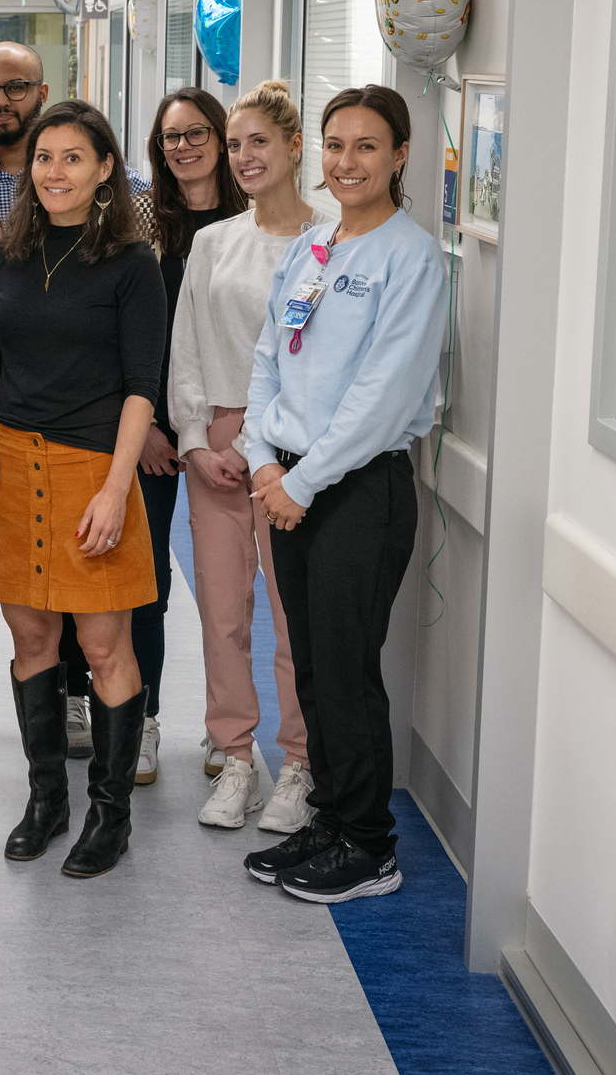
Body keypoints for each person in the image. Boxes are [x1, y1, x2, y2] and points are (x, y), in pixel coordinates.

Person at [239, 84, 446, 904]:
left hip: (356, 489)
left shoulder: (411, 257)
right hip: (287, 478)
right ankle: (331, 815)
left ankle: (369, 845)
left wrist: (300, 478)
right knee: (314, 669)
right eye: (335, 144)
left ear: (399, 156)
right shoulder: (315, 246)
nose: (347, 161)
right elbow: (268, 357)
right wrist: (261, 457)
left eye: (367, 145)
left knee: (349, 669)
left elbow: (383, 396)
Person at [0, 99, 165, 879]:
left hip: (90, 471)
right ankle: (47, 799)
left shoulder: (133, 265)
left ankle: (111, 814)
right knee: (32, 639)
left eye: (73, 157)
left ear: (106, 168)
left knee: (105, 647)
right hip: (11, 466)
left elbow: (144, 386)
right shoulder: (9, 256)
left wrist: (115, 490)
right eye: (44, 158)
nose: (55, 171)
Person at [54, 87, 247, 788]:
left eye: (198, 133)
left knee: (235, 593)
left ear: (223, 139)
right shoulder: (135, 219)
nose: (184, 147)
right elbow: (121, 336)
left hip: (240, 429)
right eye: (170, 137)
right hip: (152, 433)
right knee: (146, 585)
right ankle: (144, 723)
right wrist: (153, 431)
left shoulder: (253, 219)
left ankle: (235, 735)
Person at [168, 79, 314, 832]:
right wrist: (194, 440)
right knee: (222, 613)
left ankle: (297, 761)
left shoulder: (332, 241)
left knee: (293, 619)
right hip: (220, 448)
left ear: (295, 147)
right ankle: (234, 757)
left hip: (294, 452)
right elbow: (186, 346)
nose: (245, 156)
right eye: (236, 144)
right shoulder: (213, 240)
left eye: (261, 141)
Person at [0, 41, 149, 225]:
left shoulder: (89, 171)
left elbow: (155, 198)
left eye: (15, 87)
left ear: (42, 94)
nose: (1, 101)